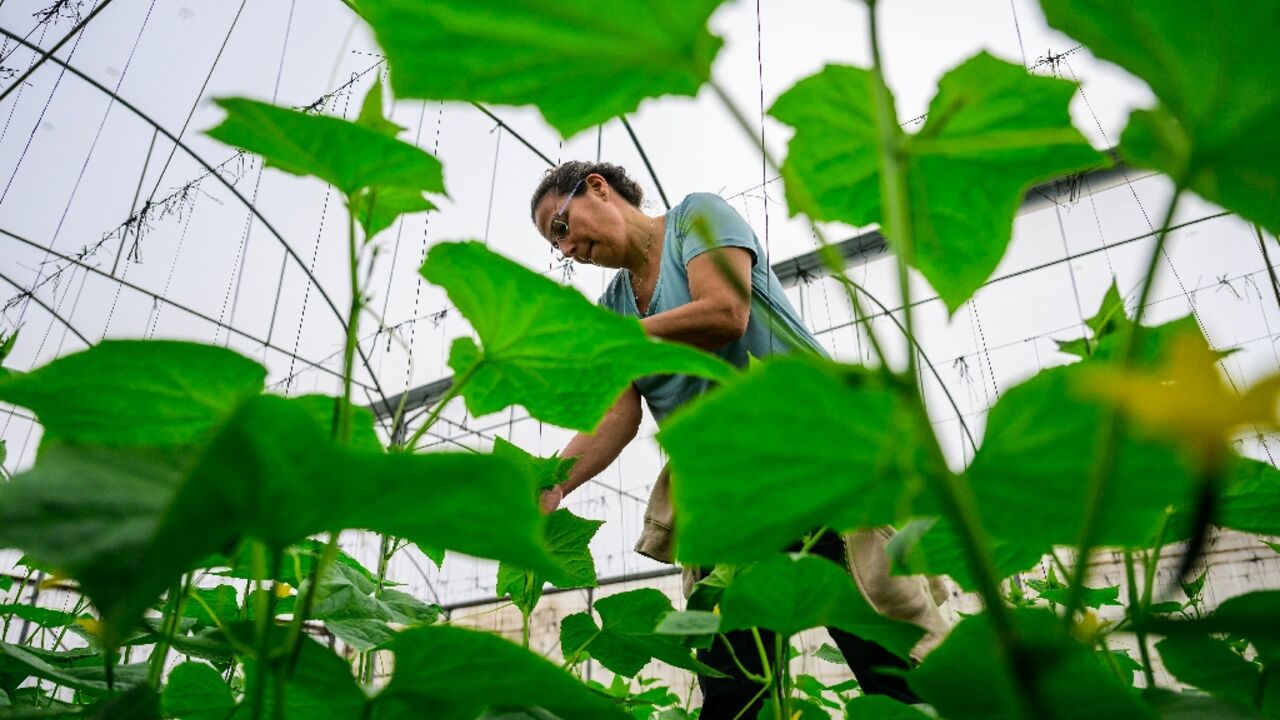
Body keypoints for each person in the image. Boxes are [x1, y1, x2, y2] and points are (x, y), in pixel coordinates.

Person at [529, 161, 945, 718]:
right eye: (555, 245)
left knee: (888, 655)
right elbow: (617, 418)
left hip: (810, 464)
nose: (567, 249)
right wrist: (555, 485)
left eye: (560, 227)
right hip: (725, 502)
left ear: (597, 189)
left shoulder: (694, 219)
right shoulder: (614, 306)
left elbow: (725, 311)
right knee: (732, 691)